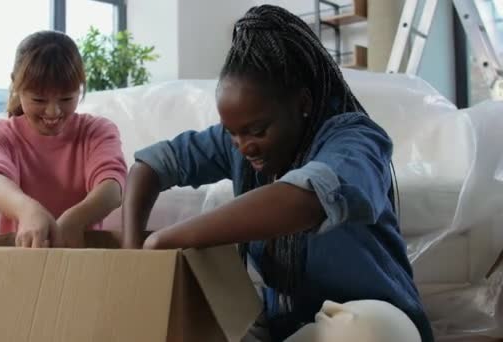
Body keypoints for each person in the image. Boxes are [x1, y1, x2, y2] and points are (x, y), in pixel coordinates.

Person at [122, 5, 433, 342]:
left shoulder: (355, 140)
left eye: (257, 130)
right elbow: (149, 166)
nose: (244, 146)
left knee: (366, 331)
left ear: (302, 103)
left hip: (368, 326)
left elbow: (306, 200)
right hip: (291, 332)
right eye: (233, 133)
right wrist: (132, 250)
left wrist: (170, 237)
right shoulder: (239, 143)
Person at [0, 30, 127, 248]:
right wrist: (28, 211)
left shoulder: (97, 131)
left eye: (66, 98)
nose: (53, 112)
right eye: (39, 99)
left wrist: (76, 219)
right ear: (16, 85)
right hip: (23, 262)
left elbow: (112, 186)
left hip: (83, 260)